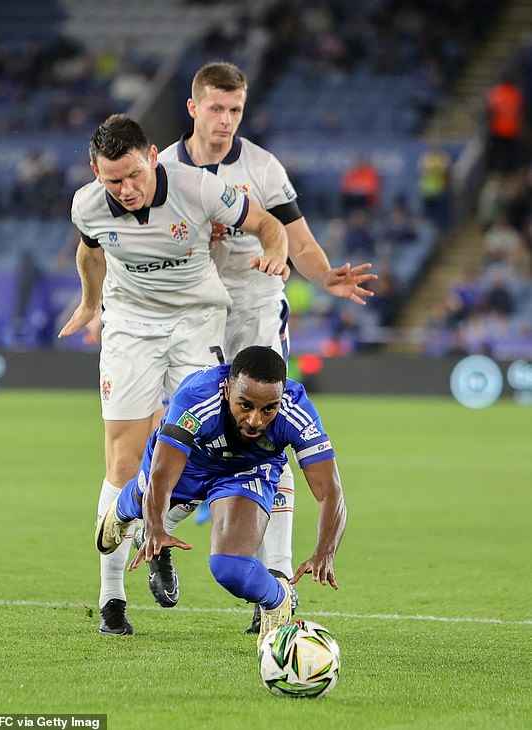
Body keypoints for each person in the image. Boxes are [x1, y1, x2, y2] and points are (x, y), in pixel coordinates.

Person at [155, 61, 374, 632]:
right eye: (216, 109)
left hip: (253, 310)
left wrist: (324, 276)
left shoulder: (261, 167)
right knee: (178, 431)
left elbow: (296, 238)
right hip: (192, 312)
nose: (225, 121)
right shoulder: (160, 170)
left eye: (235, 110)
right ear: (193, 108)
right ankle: (159, 537)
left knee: (269, 442)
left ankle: (273, 583)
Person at [58, 113, 290, 635]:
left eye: (135, 174)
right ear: (95, 172)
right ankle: (111, 599)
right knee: (123, 458)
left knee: (195, 450)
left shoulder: (200, 187)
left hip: (196, 324)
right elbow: (89, 249)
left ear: (153, 155)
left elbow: (266, 223)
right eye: (112, 179)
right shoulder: (86, 204)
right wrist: (90, 303)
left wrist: (276, 251)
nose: (127, 188)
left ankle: (154, 534)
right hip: (130, 327)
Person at [95, 346, 347, 648]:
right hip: (189, 462)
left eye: (268, 409)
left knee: (231, 567)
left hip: (246, 471)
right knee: (142, 494)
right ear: (227, 389)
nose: (255, 420)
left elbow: (331, 492)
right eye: (245, 405)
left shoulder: (297, 410)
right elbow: (162, 478)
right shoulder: (197, 397)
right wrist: (157, 529)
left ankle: (278, 598)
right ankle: (122, 510)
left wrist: (325, 551)